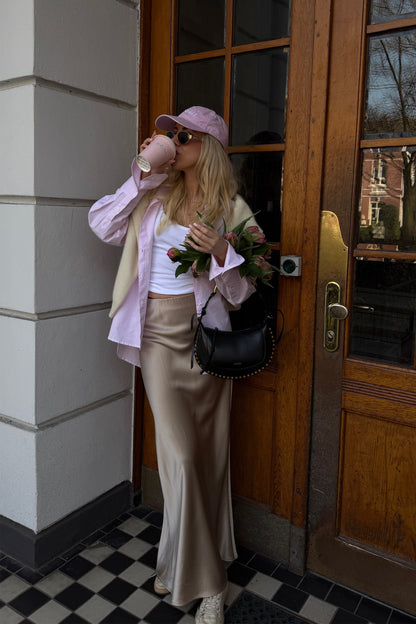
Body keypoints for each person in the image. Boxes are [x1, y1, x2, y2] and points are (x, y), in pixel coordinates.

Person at [88, 106, 257, 624]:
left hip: (205, 338)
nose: (172, 141)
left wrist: (222, 252)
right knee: (180, 458)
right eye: (171, 134)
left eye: (183, 136)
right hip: (156, 336)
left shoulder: (232, 208)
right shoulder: (155, 194)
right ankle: (211, 584)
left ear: (208, 147)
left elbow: (244, 291)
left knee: (206, 458)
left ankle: (174, 560)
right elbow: (102, 224)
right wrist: (141, 174)